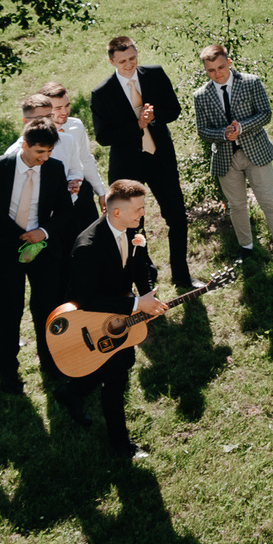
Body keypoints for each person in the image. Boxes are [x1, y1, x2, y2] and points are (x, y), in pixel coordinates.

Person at [0, 124, 82, 394]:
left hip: (43, 250)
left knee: (47, 308)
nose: (44, 157)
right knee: (8, 312)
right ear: (24, 145)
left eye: (49, 151)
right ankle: (8, 374)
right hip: (4, 250)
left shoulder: (54, 168)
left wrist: (44, 231)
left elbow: (65, 212)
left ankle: (51, 363)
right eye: (40, 151)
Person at [62, 177, 165, 462]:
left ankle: (72, 393)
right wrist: (135, 303)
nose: (142, 214)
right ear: (115, 212)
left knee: (119, 362)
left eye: (143, 208)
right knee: (115, 378)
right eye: (138, 209)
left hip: (121, 312)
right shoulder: (88, 246)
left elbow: (140, 264)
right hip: (91, 318)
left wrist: (148, 294)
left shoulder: (132, 228)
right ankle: (121, 444)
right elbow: (87, 299)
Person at [90, 36, 192, 289]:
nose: (129, 65)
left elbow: (175, 109)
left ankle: (182, 275)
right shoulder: (102, 93)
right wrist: (137, 126)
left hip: (160, 158)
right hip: (127, 166)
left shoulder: (155, 75)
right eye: (122, 61)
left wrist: (154, 116)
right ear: (112, 61)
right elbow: (103, 137)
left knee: (177, 216)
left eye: (132, 58)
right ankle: (145, 276)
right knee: (135, 226)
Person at [193, 42, 273, 270]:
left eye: (221, 67)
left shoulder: (251, 82)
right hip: (225, 158)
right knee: (237, 205)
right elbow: (202, 130)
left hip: (256, 152)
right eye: (211, 71)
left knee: (269, 202)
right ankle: (247, 247)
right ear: (205, 70)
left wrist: (241, 127)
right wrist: (223, 133)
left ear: (229, 62)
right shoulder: (201, 95)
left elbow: (265, 114)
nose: (217, 74)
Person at [35, 79, 106, 204]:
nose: (64, 112)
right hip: (53, 198)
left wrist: (100, 192)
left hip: (82, 191)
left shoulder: (76, 126)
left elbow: (86, 159)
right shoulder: (36, 135)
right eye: (58, 108)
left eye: (67, 105)